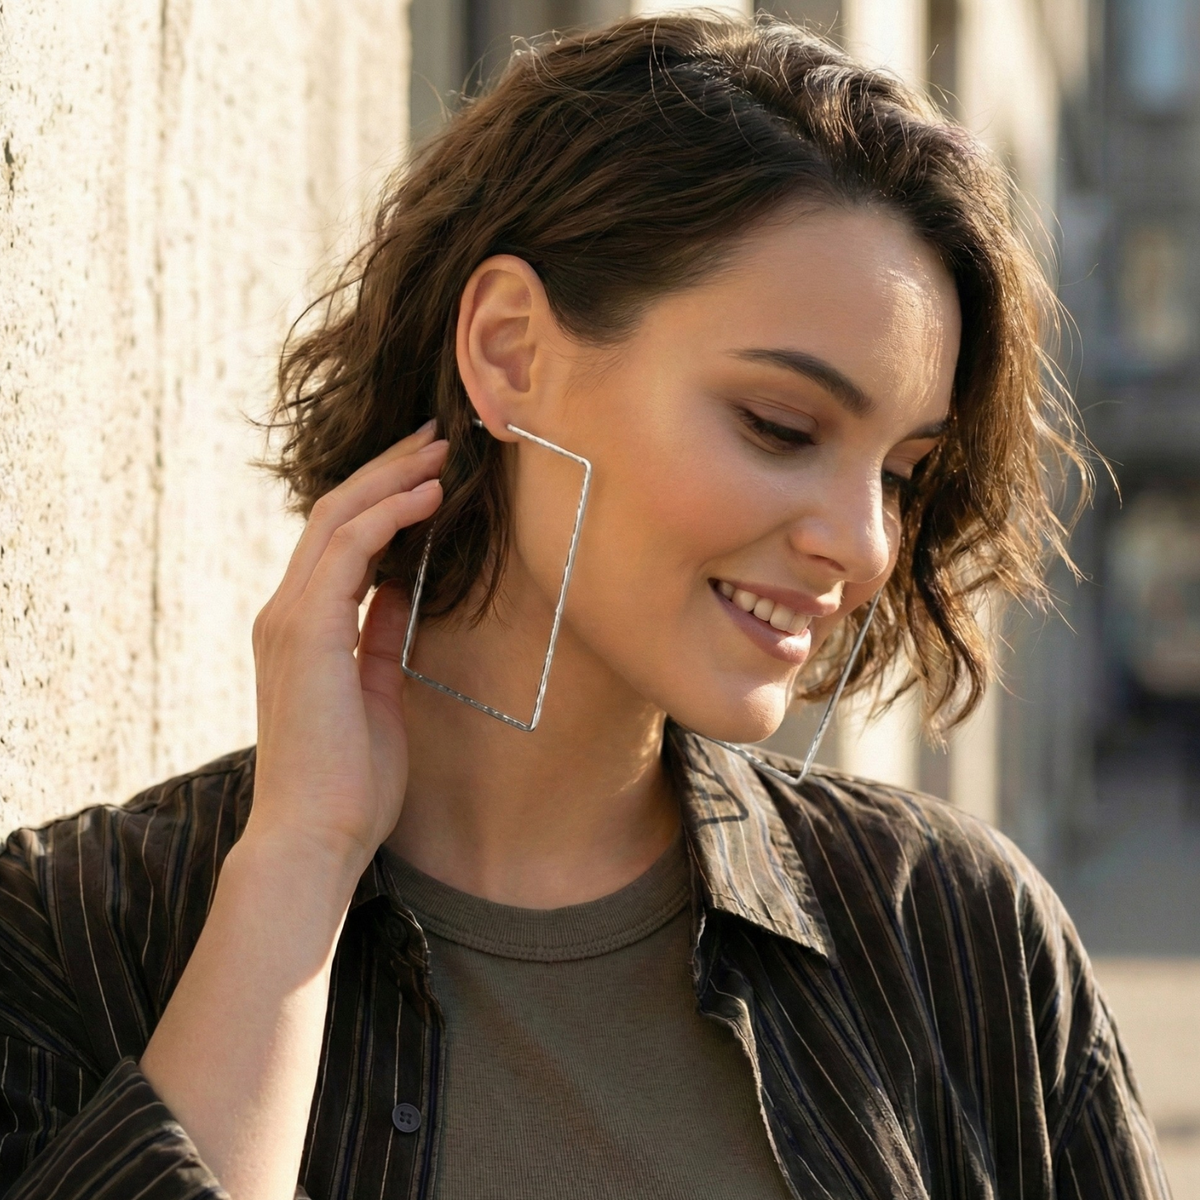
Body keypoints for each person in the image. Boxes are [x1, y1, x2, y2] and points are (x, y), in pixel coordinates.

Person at [0, 13, 1169, 1200]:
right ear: (509, 352)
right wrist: (297, 866)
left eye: (900, 473)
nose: (864, 545)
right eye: (780, 426)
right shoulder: (87, 938)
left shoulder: (959, 946)